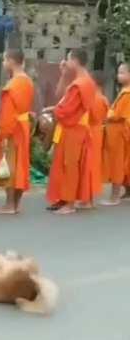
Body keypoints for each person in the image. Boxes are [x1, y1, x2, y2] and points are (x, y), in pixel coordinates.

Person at [46, 49, 96, 215]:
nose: (65, 63)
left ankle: (70, 204)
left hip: (73, 129)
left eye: (67, 60)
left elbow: (65, 109)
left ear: (75, 60)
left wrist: (54, 112)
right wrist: (63, 74)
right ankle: (63, 199)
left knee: (70, 166)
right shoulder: (81, 81)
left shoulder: (80, 84)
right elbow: (61, 97)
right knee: (62, 165)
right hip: (72, 128)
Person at [0, 49, 34, 214]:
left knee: (9, 164)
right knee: (20, 164)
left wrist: (4, 132)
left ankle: (9, 204)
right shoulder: (27, 81)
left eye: (4, 60)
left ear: (11, 61)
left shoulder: (12, 85)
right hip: (24, 126)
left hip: (13, 128)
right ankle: (16, 203)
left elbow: (8, 112)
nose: (3, 64)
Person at [101, 63, 130, 206]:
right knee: (120, 162)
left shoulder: (127, 93)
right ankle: (127, 192)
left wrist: (108, 114)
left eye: (122, 73)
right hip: (116, 132)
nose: (119, 75)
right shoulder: (124, 91)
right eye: (119, 72)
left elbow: (119, 115)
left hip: (119, 132)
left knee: (117, 163)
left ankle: (114, 197)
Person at [83, 71, 109, 207]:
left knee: (88, 165)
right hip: (99, 131)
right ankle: (89, 199)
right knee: (94, 164)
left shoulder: (93, 98)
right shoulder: (104, 98)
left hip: (90, 132)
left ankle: (87, 200)